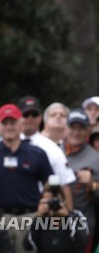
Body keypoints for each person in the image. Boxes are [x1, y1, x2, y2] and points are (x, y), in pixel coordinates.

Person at [0, 104, 54, 253]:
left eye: (13, 122)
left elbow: (50, 184)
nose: (9, 127)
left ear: (21, 124)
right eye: (5, 123)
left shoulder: (37, 153)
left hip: (28, 218)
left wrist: (45, 202)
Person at [17, 96, 76, 210]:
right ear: (19, 117)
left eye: (34, 114)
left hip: (41, 209)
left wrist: (69, 215)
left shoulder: (52, 148)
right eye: (26, 114)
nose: (30, 118)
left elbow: (64, 183)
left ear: (40, 118)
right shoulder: (4, 145)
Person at [63, 108, 99, 252]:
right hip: (56, 224)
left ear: (87, 131)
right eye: (72, 127)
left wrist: (93, 185)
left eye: (81, 128)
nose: (76, 132)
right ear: (65, 128)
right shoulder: (55, 152)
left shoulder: (95, 158)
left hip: (83, 226)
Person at [23, 178, 88, 253]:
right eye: (48, 202)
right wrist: (37, 219)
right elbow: (28, 246)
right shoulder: (41, 219)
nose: (53, 205)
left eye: (55, 201)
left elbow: (83, 242)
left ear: (64, 200)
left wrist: (67, 217)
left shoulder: (76, 215)